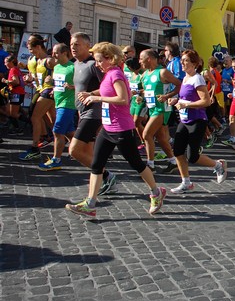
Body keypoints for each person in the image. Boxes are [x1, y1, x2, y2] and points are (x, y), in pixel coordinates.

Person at [65, 42, 167, 218]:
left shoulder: (117, 74)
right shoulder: (108, 74)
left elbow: (123, 99)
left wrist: (98, 99)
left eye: (99, 60)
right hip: (107, 127)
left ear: (110, 59)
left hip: (121, 129)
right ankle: (90, 204)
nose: (96, 64)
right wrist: (92, 93)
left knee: (137, 164)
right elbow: (106, 89)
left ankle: (156, 192)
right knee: (97, 164)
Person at [168, 50, 227, 193]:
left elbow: (206, 101)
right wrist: (176, 100)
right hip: (184, 120)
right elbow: (186, 98)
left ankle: (218, 166)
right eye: (182, 60)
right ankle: (186, 182)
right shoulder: (185, 79)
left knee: (192, 156)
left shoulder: (197, 79)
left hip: (197, 120)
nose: (182, 63)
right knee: (177, 152)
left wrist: (186, 104)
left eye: (186, 60)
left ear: (194, 63)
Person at [69, 32, 117, 194]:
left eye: (77, 44)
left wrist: (92, 94)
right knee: (88, 153)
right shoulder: (76, 64)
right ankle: (101, 184)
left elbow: (109, 85)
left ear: (88, 46)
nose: (73, 48)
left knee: (74, 151)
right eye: (71, 45)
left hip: (93, 113)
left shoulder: (92, 65)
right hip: (82, 112)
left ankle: (108, 175)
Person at [139, 49, 181, 173]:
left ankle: (150, 165)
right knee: (161, 138)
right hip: (151, 108)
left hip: (162, 109)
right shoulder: (145, 74)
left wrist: (167, 96)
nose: (139, 61)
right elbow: (147, 90)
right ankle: (173, 162)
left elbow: (179, 85)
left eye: (141, 58)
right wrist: (140, 97)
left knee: (146, 134)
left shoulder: (162, 72)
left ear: (149, 59)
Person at [38, 43, 76, 171]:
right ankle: (83, 149)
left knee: (57, 131)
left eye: (56, 52)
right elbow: (60, 83)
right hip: (58, 103)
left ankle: (56, 160)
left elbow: (84, 85)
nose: (53, 55)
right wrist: (54, 88)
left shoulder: (73, 67)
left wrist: (73, 87)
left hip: (68, 104)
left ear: (64, 53)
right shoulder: (57, 67)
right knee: (69, 133)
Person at [19, 34, 56, 161]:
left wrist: (54, 79)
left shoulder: (49, 61)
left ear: (39, 47)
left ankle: (35, 148)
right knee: (53, 122)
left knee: (34, 116)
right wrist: (29, 79)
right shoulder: (31, 59)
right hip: (39, 90)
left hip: (49, 91)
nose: (30, 51)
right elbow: (33, 76)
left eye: (31, 49)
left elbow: (64, 71)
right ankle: (69, 141)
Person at [2, 55, 25, 133]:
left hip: (17, 93)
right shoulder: (16, 69)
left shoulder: (13, 70)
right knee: (9, 112)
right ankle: (17, 128)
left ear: (11, 62)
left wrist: (5, 81)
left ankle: (30, 122)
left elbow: (16, 82)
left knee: (13, 114)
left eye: (5, 62)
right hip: (17, 93)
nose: (5, 64)